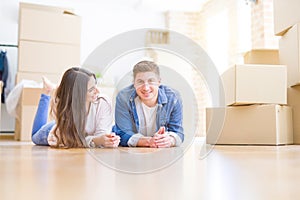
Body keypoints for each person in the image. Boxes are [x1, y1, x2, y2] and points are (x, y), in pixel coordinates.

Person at [31, 67, 120, 148]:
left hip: (75, 132)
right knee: (35, 137)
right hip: (59, 129)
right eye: (91, 89)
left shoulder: (102, 102)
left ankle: (53, 88)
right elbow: (66, 141)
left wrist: (105, 140)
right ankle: (46, 93)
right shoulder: (63, 105)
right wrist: (95, 140)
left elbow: (101, 138)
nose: (97, 91)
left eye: (95, 85)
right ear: (78, 95)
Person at [113, 60, 184, 147]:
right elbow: (122, 133)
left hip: (161, 152)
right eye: (140, 81)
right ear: (134, 83)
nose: (146, 88)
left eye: (151, 81)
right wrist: (148, 141)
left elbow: (178, 132)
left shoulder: (173, 97)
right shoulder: (123, 97)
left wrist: (169, 140)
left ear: (159, 82)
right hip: (133, 153)